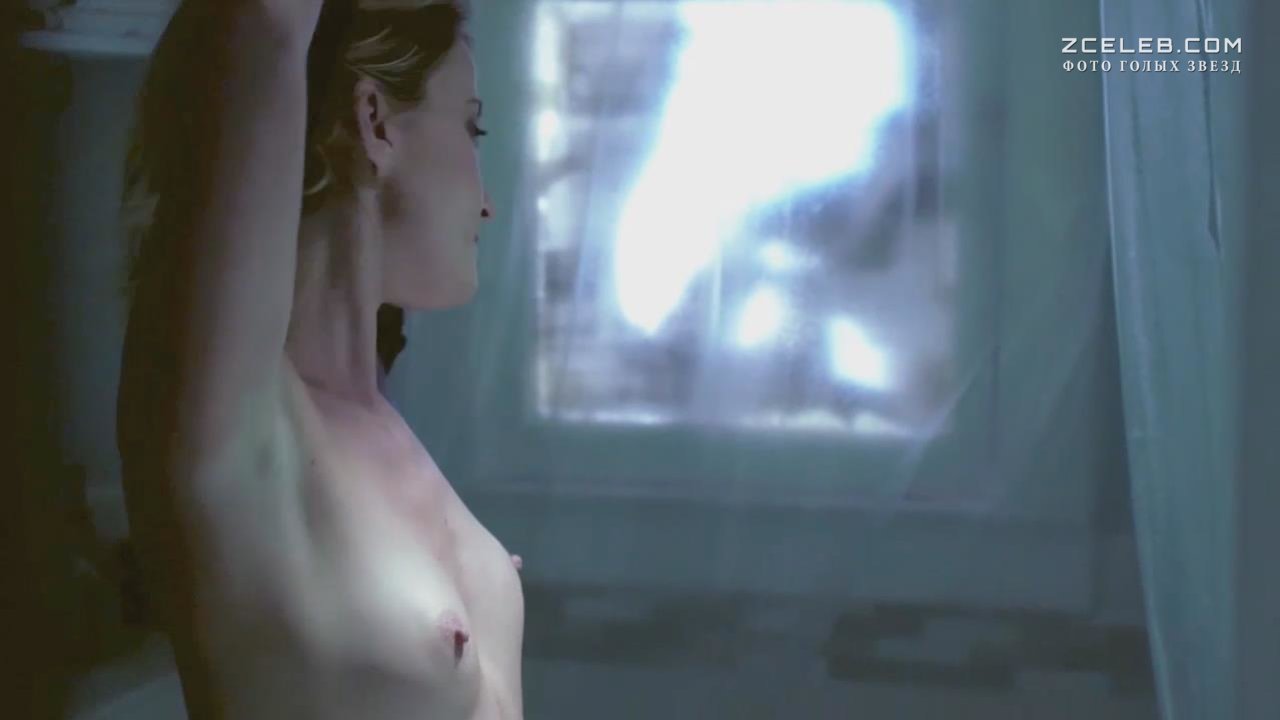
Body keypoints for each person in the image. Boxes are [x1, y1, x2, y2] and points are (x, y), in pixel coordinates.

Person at [114, 1, 524, 717]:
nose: (488, 204)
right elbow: (268, 24)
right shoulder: (237, 425)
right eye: (471, 126)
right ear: (375, 122)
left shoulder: (374, 423)